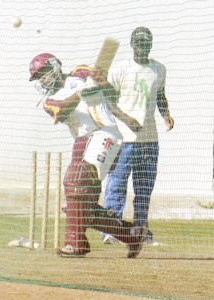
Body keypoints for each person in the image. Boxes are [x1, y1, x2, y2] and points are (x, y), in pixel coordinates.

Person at [29, 53, 146, 258]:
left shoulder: (81, 73)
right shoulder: (49, 101)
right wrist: (80, 93)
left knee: (76, 180)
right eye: (39, 78)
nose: (43, 80)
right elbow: (63, 111)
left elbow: (110, 93)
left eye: (44, 73)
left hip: (104, 132)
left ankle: (76, 244)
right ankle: (132, 235)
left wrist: (100, 84)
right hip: (82, 141)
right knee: (80, 205)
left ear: (55, 66)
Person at [102, 27, 174, 244]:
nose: (143, 48)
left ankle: (141, 233)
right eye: (139, 44)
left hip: (149, 140)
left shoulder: (159, 69)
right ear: (132, 45)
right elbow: (109, 101)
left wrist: (166, 114)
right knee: (117, 184)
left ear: (150, 45)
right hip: (123, 139)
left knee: (144, 188)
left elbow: (160, 95)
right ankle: (111, 231)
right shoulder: (120, 69)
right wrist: (127, 119)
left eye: (146, 44)